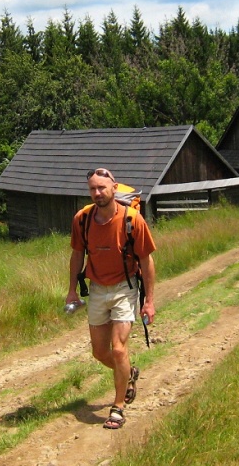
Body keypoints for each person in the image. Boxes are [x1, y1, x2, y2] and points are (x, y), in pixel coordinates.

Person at [67, 168, 156, 430]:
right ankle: (129, 373)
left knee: (118, 349)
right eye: (93, 188)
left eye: (102, 188)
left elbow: (146, 260)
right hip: (96, 289)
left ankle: (117, 408)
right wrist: (72, 290)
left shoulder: (132, 219)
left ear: (114, 188)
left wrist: (149, 301)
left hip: (124, 288)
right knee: (99, 352)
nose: (97, 193)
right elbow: (76, 256)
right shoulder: (82, 219)